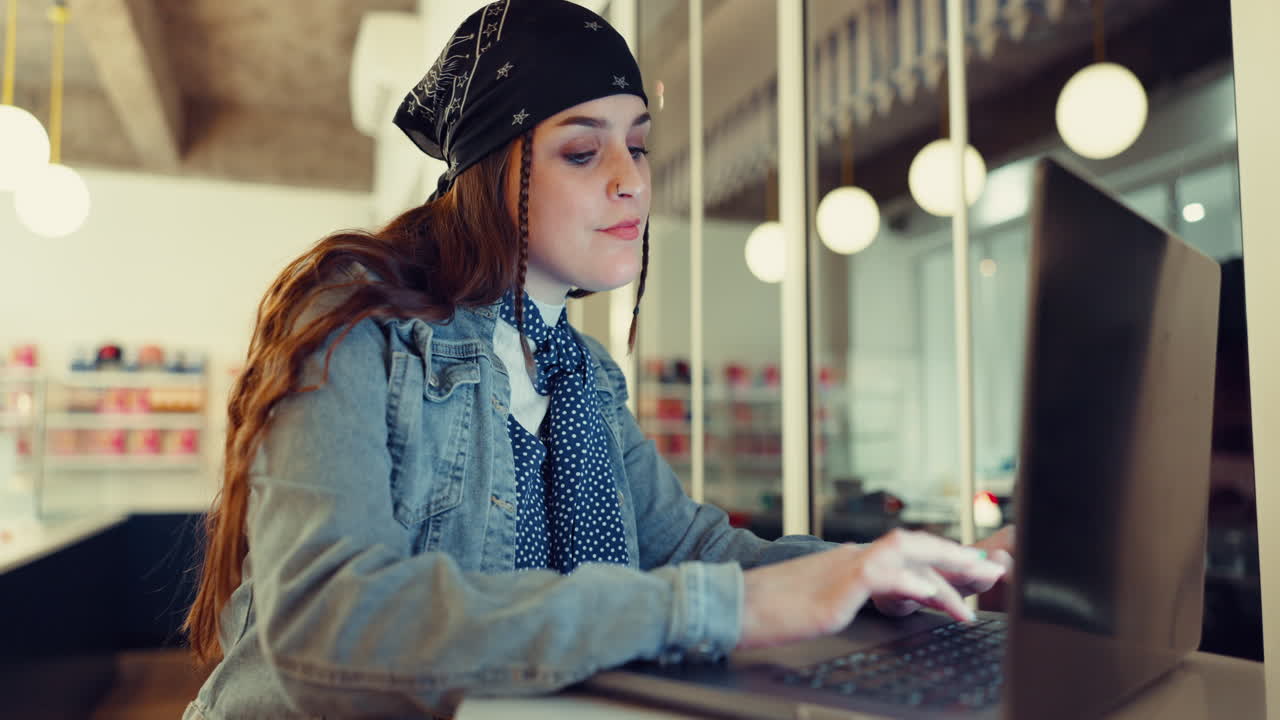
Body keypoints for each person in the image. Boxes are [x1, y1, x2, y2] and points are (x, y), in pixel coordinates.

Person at [181, 2, 1013, 718]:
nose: (632, 183)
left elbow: (688, 548)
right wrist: (724, 608)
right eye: (583, 152)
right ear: (490, 171)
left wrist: (886, 571)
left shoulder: (579, 374)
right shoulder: (358, 321)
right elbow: (327, 620)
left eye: (638, 147)